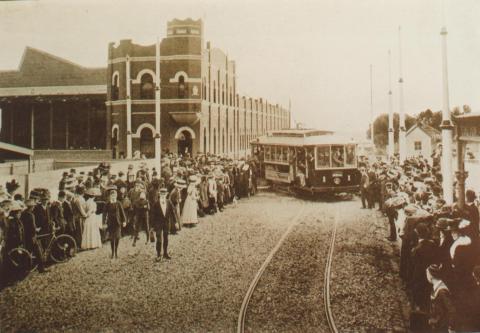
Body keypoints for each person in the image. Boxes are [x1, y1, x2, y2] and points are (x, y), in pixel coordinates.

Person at [426, 264, 456, 333]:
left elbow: (452, 310)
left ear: (431, 276)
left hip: (441, 327)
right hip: (436, 323)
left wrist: (451, 327)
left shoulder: (442, 291)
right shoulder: (436, 286)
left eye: (427, 274)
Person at [20, 198, 46, 273]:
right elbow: (33, 227)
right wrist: (37, 229)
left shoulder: (23, 213)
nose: (34, 207)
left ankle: (24, 268)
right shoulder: (31, 215)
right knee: (38, 252)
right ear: (31, 207)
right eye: (33, 206)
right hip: (32, 236)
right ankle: (41, 268)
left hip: (26, 236)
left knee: (27, 252)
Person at [102, 190, 126, 259]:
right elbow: (104, 214)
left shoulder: (118, 203)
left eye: (114, 195)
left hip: (118, 223)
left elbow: (122, 212)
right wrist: (104, 223)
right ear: (110, 196)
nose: (113, 197)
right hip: (110, 224)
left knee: (118, 238)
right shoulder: (107, 204)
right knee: (112, 239)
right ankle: (112, 253)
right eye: (111, 196)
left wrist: (124, 221)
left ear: (116, 196)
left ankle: (116, 252)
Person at [151, 187, 172, 260]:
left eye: (164, 194)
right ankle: (158, 254)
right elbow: (152, 215)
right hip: (158, 224)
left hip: (166, 223)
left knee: (166, 238)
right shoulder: (156, 204)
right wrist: (152, 226)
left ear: (166, 195)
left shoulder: (168, 202)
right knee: (159, 239)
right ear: (160, 195)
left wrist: (175, 222)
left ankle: (165, 253)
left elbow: (173, 212)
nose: (163, 196)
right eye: (162, 194)